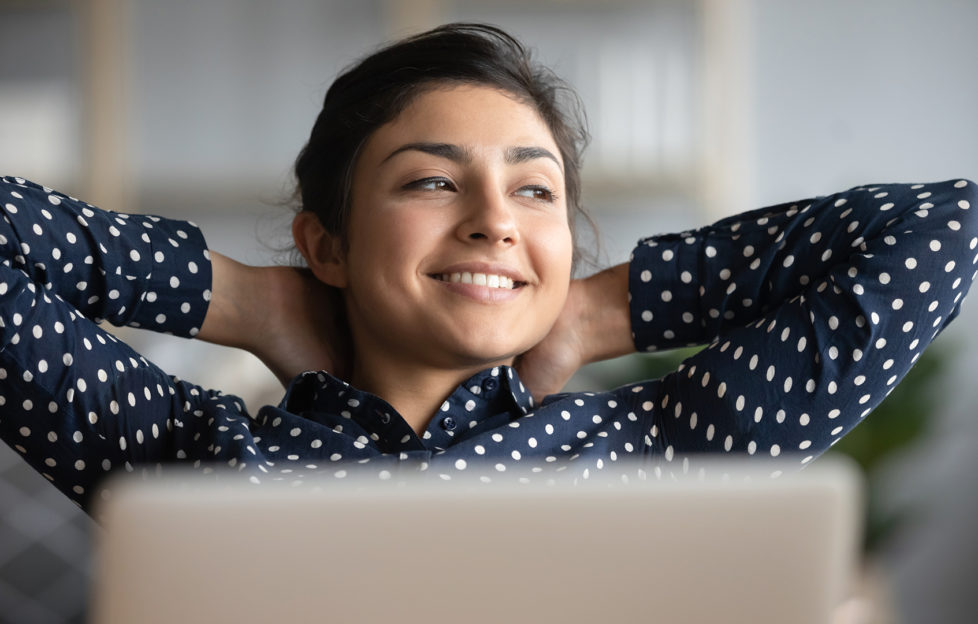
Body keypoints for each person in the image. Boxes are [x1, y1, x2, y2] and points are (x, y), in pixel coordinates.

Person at [0, 23, 975, 513]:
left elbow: (938, 228)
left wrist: (596, 313)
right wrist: (247, 301)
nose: (494, 222)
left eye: (536, 191)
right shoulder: (193, 459)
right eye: (432, 183)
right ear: (325, 246)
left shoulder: (659, 449)